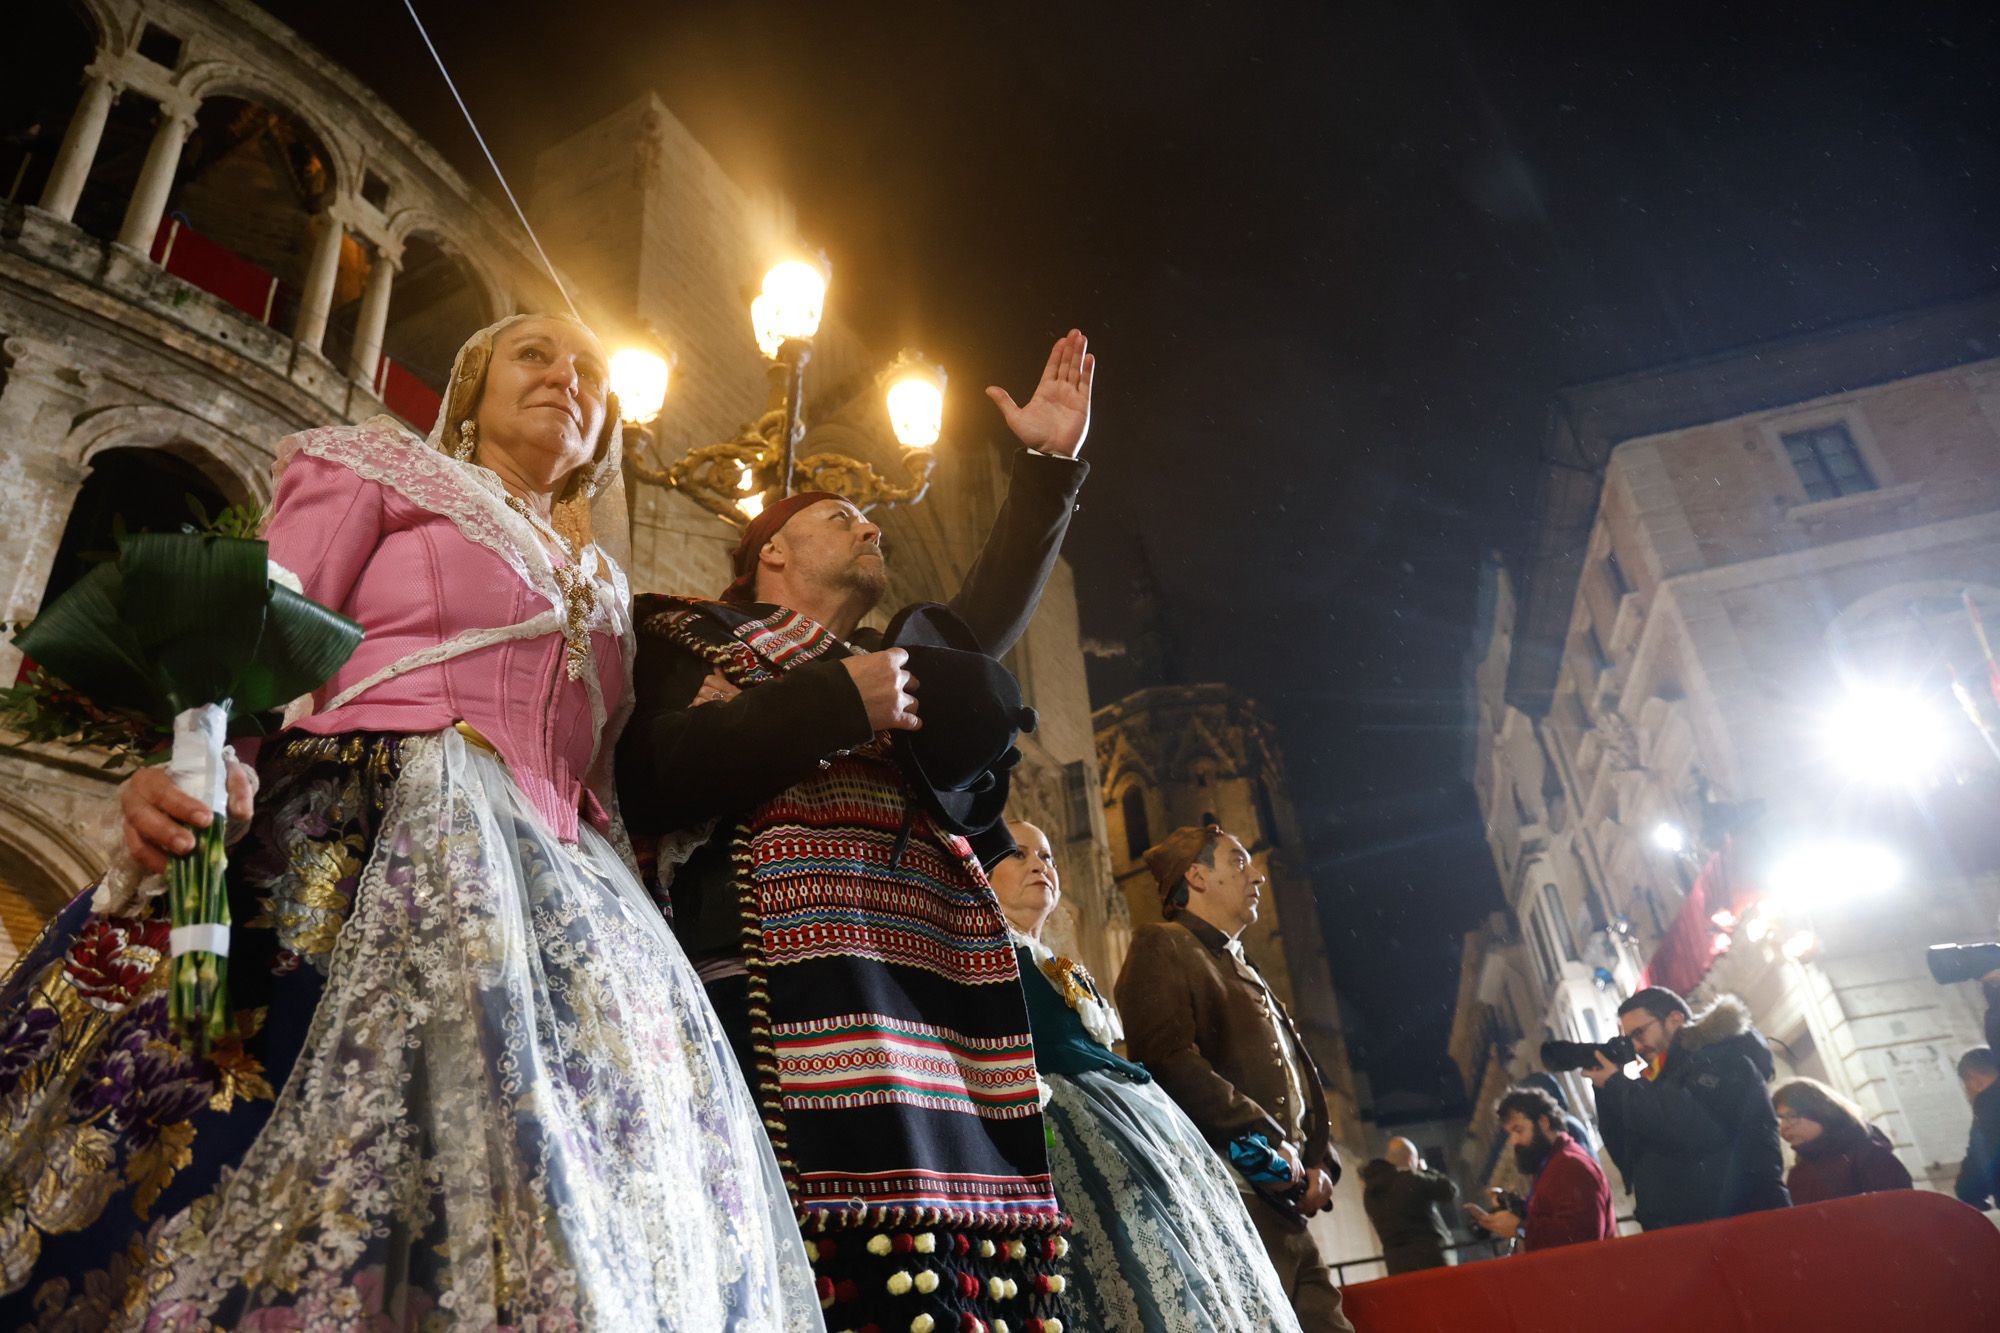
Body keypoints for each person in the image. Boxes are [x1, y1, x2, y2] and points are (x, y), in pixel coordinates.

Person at [0, 316, 820, 1327]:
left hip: (568, 889)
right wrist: (202, 775)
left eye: (592, 376)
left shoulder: (608, 588)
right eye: (533, 354)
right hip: (359, 818)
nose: (567, 377)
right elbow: (255, 626)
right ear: (468, 389)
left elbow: (599, 768)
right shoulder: (377, 469)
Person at [616, 332, 1096, 1329]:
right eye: (843, 516)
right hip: (766, 987)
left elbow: (983, 616)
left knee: (953, 1278)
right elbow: (655, 778)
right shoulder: (679, 636)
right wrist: (838, 703)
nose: (871, 522)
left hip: (926, 987)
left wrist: (1044, 470)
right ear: (771, 552)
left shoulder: (893, 664)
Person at [988, 819, 1305, 1333]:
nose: (1040, 865)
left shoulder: (1056, 963)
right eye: (1018, 854)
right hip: (1072, 1129)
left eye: (1046, 856)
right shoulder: (986, 959)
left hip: (1143, 1128)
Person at [1115, 824, 1354, 1333]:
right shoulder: (1163, 944)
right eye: (1239, 862)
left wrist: (1320, 1162)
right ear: (1197, 877)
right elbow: (1167, 1059)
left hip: (1287, 1205)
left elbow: (1296, 1074)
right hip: (1229, 1197)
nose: (1258, 876)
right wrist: (1267, 1136)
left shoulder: (1241, 963)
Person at [1584, 986, 1790, 1231]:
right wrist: (1606, 1090)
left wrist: (1621, 1085)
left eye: (1640, 1033)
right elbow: (1627, 1154)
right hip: (1695, 1234)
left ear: (1675, 1020)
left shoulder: (1723, 1060)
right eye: (1630, 1040)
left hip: (1742, 1225)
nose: (1637, 1047)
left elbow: (1691, 1129)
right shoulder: (1658, 1081)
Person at [1467, 1085, 1615, 1253]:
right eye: (1510, 1133)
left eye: (1518, 1130)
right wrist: (1516, 1208)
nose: (1513, 1141)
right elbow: (1555, 1217)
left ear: (1543, 1122)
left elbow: (1581, 1234)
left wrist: (1520, 1228)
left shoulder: (1570, 1166)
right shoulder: (1553, 1163)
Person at [1771, 1078, 1913, 1205]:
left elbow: (1899, 1213)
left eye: (1792, 1116)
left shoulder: (1870, 1156)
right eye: (1780, 1119)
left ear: (1820, 1112)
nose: (1784, 1127)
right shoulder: (1799, 1173)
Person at [1360, 1139, 1457, 1274]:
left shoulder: (1370, 1191)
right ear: (1411, 1159)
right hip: (1432, 1260)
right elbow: (1449, 1191)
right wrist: (1425, 1171)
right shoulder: (1411, 1180)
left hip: (1397, 1265)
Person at [1954, 1047, 2000, 1209]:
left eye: (1967, 1085)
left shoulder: (1988, 1109)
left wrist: (1969, 1195)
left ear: (1976, 1081)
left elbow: (1977, 1171)